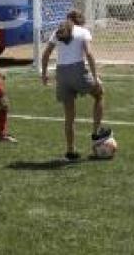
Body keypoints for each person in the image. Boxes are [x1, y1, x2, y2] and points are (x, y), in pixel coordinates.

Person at [41, 10, 110, 161]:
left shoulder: (57, 31)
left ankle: (70, 151)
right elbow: (89, 55)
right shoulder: (83, 32)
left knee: (69, 116)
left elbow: (46, 54)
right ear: (80, 21)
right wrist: (95, 77)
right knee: (99, 94)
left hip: (61, 74)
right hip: (77, 70)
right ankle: (96, 133)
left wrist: (44, 74)